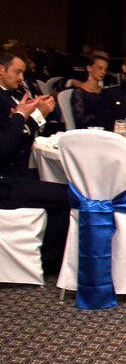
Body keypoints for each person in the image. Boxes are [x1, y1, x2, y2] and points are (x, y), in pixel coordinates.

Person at [0, 51, 68, 273]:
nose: (21, 77)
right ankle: (48, 260)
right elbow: (5, 147)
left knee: (63, 185)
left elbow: (25, 133)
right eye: (17, 71)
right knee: (67, 196)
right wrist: (23, 115)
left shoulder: (11, 95)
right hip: (5, 181)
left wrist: (36, 114)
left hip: (13, 173)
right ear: (1, 69)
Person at [70, 54, 108, 129]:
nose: (103, 72)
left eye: (105, 69)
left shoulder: (104, 92)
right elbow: (80, 120)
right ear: (89, 68)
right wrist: (101, 115)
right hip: (87, 132)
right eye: (100, 68)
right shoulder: (79, 92)